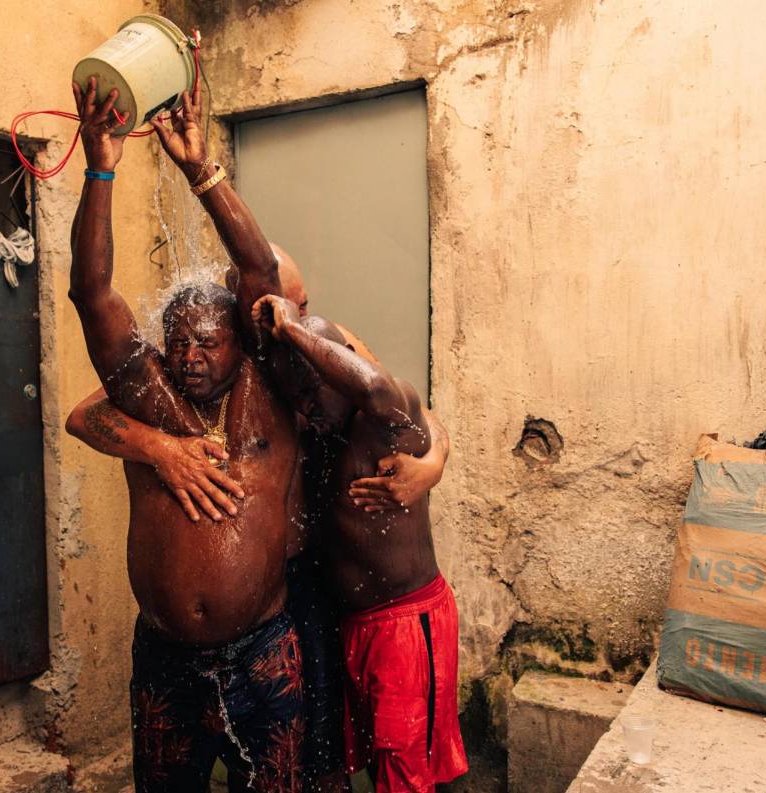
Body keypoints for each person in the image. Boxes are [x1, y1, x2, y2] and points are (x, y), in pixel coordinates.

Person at [68, 250, 450, 793]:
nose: (295, 314)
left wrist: (431, 465)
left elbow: (400, 402)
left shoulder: (313, 342)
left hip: (314, 571)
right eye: (284, 305)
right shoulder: (204, 359)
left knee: (323, 744)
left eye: (301, 303)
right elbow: (84, 413)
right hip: (265, 588)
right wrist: (160, 448)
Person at [66, 76, 305, 792]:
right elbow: (93, 294)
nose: (193, 357)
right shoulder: (151, 399)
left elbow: (262, 274)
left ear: (241, 342)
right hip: (165, 661)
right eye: (179, 345)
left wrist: (202, 170)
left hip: (264, 654)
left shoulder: (266, 397)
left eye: (209, 342)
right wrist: (100, 167)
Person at [252, 293, 468, 792]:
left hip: (405, 622)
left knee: (406, 768)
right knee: (376, 759)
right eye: (297, 399)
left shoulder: (384, 423)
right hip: (355, 624)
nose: (306, 409)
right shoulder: (322, 432)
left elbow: (375, 385)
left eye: (313, 394)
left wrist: (292, 330)